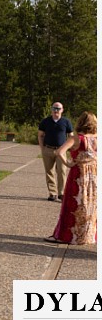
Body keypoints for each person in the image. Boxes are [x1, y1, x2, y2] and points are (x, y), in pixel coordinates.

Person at [44, 112, 97, 245]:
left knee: (73, 204)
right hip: (94, 175)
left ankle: (68, 235)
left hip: (79, 174)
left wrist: (68, 163)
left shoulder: (76, 138)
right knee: (91, 205)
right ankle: (88, 235)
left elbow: (59, 151)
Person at [38, 102, 74, 201]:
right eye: (54, 108)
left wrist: (69, 149)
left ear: (62, 110)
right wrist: (42, 148)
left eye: (58, 108)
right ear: (51, 109)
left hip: (61, 150)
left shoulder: (66, 122)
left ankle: (61, 193)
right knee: (49, 171)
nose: (56, 110)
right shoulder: (45, 121)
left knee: (62, 171)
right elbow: (40, 135)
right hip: (48, 149)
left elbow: (71, 137)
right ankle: (52, 193)